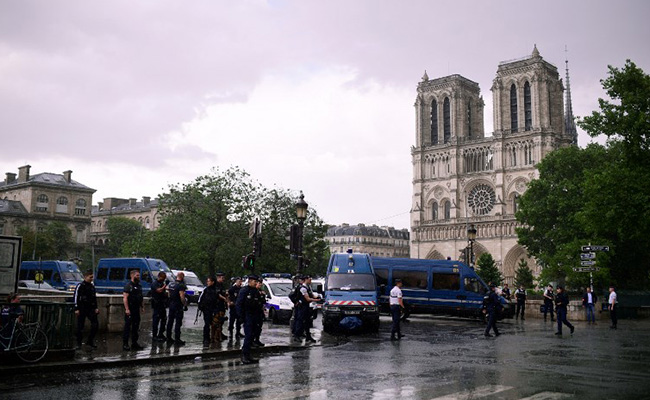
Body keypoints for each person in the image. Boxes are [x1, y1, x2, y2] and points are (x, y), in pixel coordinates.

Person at [236, 274, 264, 364]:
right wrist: (241, 317)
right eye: (254, 281)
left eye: (256, 282)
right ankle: (244, 355)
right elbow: (239, 304)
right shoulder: (244, 290)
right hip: (247, 316)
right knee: (248, 336)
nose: (256, 283)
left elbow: (259, 304)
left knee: (252, 336)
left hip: (255, 316)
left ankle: (249, 355)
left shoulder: (255, 291)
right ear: (250, 281)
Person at [74, 270, 99, 349]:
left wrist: (96, 307)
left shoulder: (92, 287)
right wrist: (76, 308)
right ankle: (79, 343)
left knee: (95, 325)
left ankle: (90, 340)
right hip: (82, 308)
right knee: (80, 326)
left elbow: (94, 298)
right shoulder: (80, 286)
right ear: (85, 277)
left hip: (90, 308)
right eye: (90, 277)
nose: (91, 279)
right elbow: (76, 297)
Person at [123, 269, 145, 351]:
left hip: (136, 309)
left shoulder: (139, 286)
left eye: (139, 275)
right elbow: (125, 298)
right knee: (127, 327)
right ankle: (125, 344)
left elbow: (141, 297)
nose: (138, 277)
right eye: (137, 275)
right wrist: (127, 309)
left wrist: (142, 306)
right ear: (132, 276)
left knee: (136, 327)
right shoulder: (128, 285)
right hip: (130, 308)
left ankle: (134, 343)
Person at [293, 275, 319, 343]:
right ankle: (297, 335)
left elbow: (312, 295)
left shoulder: (308, 287)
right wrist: (316, 300)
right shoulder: (302, 288)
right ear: (306, 279)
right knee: (300, 321)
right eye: (310, 279)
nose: (311, 280)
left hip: (307, 306)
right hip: (302, 307)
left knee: (308, 321)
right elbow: (307, 298)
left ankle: (308, 336)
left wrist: (317, 297)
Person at [166, 271, 188, 346]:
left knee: (170, 321)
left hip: (171, 304)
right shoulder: (181, 285)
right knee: (178, 323)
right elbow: (182, 296)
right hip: (178, 305)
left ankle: (168, 337)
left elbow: (168, 294)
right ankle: (177, 339)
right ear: (182, 277)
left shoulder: (171, 284)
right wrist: (184, 304)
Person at [198, 275, 218, 346]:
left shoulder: (215, 290)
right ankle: (206, 338)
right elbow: (200, 299)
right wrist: (201, 307)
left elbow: (216, 301)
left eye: (209, 281)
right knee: (207, 324)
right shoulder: (206, 290)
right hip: (206, 309)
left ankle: (213, 337)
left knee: (213, 324)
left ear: (212, 282)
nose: (207, 282)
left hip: (212, 309)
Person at [150, 271, 168, 341]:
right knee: (156, 320)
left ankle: (161, 333)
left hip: (162, 304)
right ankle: (154, 335)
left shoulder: (162, 283)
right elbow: (159, 290)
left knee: (164, 319)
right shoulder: (155, 283)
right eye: (163, 278)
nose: (163, 279)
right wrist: (164, 286)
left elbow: (163, 292)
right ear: (159, 277)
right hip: (156, 304)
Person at [213, 272, 229, 342]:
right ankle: (215, 337)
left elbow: (224, 293)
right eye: (222, 278)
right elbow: (218, 294)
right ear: (218, 277)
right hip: (217, 306)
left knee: (221, 322)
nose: (223, 279)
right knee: (217, 322)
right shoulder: (216, 285)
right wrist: (224, 299)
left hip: (222, 306)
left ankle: (219, 335)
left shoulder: (222, 285)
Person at [252, 278, 267, 348]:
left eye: (261, 283)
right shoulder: (253, 291)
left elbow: (263, 302)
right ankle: (252, 341)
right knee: (253, 327)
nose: (260, 285)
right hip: (254, 312)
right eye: (259, 283)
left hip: (260, 312)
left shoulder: (261, 292)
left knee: (259, 327)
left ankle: (257, 339)